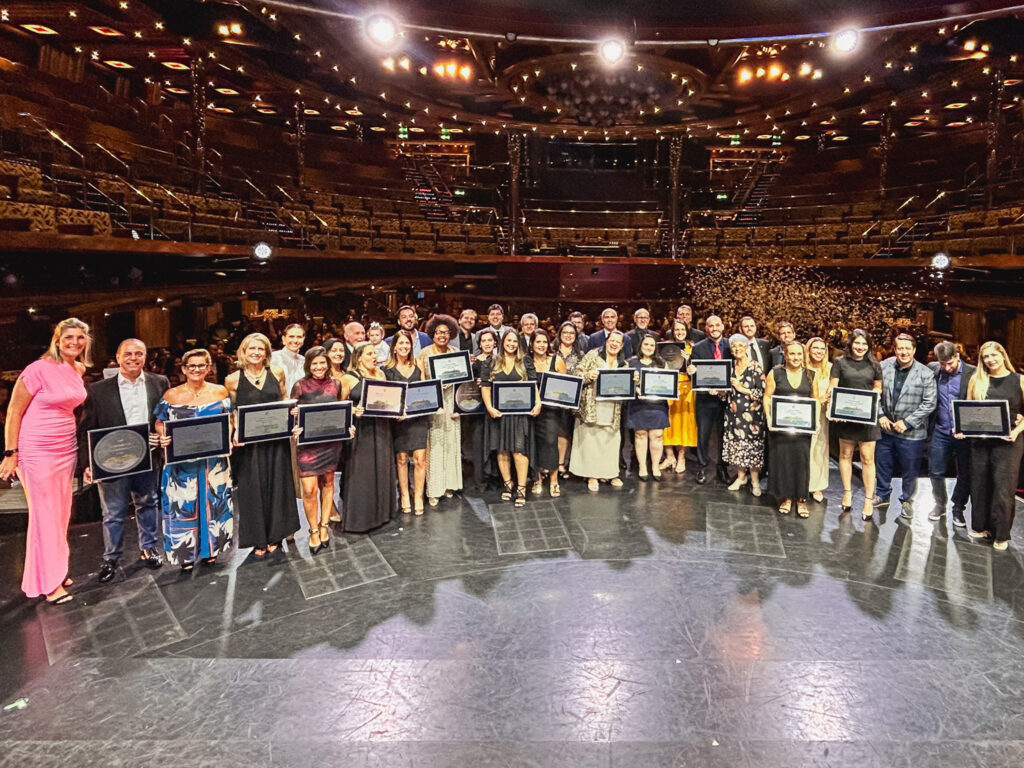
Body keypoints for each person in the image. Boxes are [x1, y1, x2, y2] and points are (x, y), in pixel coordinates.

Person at [0, 318, 89, 603]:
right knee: (45, 515)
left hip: (66, 447)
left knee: (61, 513)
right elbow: (14, 412)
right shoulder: (37, 369)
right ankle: (50, 585)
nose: (74, 342)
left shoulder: (78, 369)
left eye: (80, 337)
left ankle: (54, 570)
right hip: (36, 449)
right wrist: (11, 453)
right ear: (57, 339)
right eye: (69, 337)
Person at [77, 338, 168, 582]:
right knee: (113, 512)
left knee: (148, 504)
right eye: (128, 353)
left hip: (148, 459)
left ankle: (148, 548)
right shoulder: (97, 390)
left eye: (139, 353)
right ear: (118, 357)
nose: (133, 358)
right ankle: (111, 558)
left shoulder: (160, 383)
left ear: (145, 357)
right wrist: (88, 463)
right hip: (111, 462)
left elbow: (164, 421)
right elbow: (86, 428)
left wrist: (162, 439)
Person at [154, 349, 233, 571]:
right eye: (192, 366)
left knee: (214, 504)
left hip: (214, 462)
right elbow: (159, 422)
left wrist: (230, 435)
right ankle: (185, 554)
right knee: (183, 506)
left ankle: (210, 550)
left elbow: (231, 419)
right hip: (182, 464)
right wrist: (162, 436)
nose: (197, 370)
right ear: (183, 369)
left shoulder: (220, 392)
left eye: (202, 365)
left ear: (209, 368)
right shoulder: (171, 395)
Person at [224, 333, 298, 559]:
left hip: (276, 441)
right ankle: (258, 538)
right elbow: (232, 411)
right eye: (251, 349)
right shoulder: (232, 379)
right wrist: (235, 431)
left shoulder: (276, 372)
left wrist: (291, 413)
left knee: (278, 485)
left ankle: (277, 534)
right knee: (252, 489)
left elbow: (284, 398)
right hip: (249, 444)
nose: (256, 353)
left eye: (261, 349)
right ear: (243, 352)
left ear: (267, 352)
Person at [963, 341, 1024, 550]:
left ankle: (1001, 534)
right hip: (980, 441)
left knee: (1003, 487)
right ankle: (981, 527)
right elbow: (968, 409)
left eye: (993, 355)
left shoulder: (1020, 380)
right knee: (979, 484)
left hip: (1009, 443)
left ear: (1002, 355)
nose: (990, 360)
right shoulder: (977, 380)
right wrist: (963, 429)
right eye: (985, 357)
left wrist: (1016, 431)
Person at [873, 333, 937, 520]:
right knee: (883, 465)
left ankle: (907, 500)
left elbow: (929, 403)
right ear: (895, 349)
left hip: (912, 433)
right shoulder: (883, 366)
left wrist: (907, 422)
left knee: (910, 470)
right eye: (900, 348)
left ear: (914, 350)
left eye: (908, 348)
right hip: (886, 428)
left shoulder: (925, 373)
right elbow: (873, 394)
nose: (904, 352)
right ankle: (882, 494)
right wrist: (880, 415)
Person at [290, 346, 346, 553]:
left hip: (330, 443)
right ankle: (312, 529)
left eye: (323, 363)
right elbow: (291, 415)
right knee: (309, 489)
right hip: (307, 446)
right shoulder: (300, 386)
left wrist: (347, 425)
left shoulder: (336, 384)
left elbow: (340, 411)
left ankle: (323, 527)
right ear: (308, 365)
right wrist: (294, 420)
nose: (319, 367)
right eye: (314, 363)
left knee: (329, 483)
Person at [339, 342, 398, 532]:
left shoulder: (380, 374)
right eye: (370, 353)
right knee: (362, 472)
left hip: (381, 427)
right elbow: (341, 406)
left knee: (381, 467)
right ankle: (361, 519)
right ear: (358, 357)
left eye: (375, 353)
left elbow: (389, 400)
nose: (374, 357)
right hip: (361, 430)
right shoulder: (348, 378)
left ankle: (382, 514)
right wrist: (353, 409)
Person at [481, 329, 541, 506]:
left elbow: (533, 384)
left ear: (519, 343)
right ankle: (508, 485)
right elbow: (485, 387)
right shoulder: (490, 362)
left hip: (520, 414)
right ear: (502, 342)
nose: (511, 344)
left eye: (515, 341)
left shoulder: (525, 361)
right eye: (508, 341)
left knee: (519, 450)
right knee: (502, 450)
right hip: (498, 414)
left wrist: (538, 403)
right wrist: (489, 407)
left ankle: (521, 488)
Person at [828, 329, 883, 521]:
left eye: (864, 345)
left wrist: (876, 393)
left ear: (869, 346)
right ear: (851, 344)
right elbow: (833, 385)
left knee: (868, 458)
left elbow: (878, 386)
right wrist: (833, 407)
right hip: (846, 416)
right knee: (845, 455)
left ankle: (868, 499)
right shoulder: (839, 362)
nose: (860, 347)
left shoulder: (874, 364)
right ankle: (847, 492)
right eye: (857, 343)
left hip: (867, 417)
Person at [571, 330, 627, 492]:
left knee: (610, 440)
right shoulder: (592, 355)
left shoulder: (624, 363)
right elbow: (577, 374)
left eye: (618, 342)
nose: (614, 343)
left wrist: (634, 380)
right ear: (606, 340)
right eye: (612, 340)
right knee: (591, 441)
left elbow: (627, 386)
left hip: (612, 407)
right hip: (592, 405)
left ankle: (609, 473)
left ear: (622, 345)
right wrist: (588, 375)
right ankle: (592, 475)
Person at [417, 315, 463, 506]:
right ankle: (434, 489)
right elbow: (420, 381)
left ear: (451, 334)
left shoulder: (456, 352)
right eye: (438, 332)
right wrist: (435, 387)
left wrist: (461, 407)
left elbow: (463, 382)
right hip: (435, 404)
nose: (442, 336)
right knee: (435, 445)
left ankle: (449, 485)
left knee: (452, 443)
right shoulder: (424, 354)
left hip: (452, 402)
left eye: (446, 332)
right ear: (432, 334)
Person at [764, 341, 815, 517]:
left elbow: (813, 401)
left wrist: (814, 424)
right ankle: (785, 497)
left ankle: (801, 499)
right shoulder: (776, 373)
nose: (796, 358)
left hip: (802, 429)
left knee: (801, 463)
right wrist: (770, 420)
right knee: (783, 462)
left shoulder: (811, 375)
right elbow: (767, 397)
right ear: (785, 355)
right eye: (792, 354)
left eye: (799, 354)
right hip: (780, 428)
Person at [927, 341, 975, 526]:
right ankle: (940, 504)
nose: (946, 367)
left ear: (957, 356)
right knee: (935, 470)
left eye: (950, 363)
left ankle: (958, 508)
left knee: (965, 472)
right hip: (940, 429)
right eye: (942, 364)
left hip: (964, 433)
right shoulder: (933, 369)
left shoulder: (973, 373)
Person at [385, 330, 428, 515]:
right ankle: (403, 494)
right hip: (399, 421)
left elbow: (425, 390)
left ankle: (418, 495)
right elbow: (386, 398)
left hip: (418, 419)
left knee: (420, 459)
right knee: (401, 459)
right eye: (400, 343)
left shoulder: (418, 366)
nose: (404, 347)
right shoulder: (386, 370)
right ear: (394, 347)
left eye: (407, 343)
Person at [689, 315, 731, 485]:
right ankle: (701, 466)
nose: (714, 328)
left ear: (722, 326)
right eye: (710, 326)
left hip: (725, 399)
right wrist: (709, 388)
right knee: (703, 434)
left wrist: (723, 391)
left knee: (724, 435)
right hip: (705, 398)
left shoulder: (730, 345)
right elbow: (697, 373)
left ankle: (723, 468)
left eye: (717, 325)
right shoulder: (698, 348)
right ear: (706, 328)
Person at [722, 334, 765, 494]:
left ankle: (754, 481)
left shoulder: (755, 366)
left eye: (740, 346)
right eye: (734, 346)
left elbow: (762, 392)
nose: (737, 349)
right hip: (733, 415)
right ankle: (741, 477)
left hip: (752, 416)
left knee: (752, 448)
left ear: (747, 348)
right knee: (737, 447)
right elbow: (724, 391)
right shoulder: (730, 367)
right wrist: (717, 390)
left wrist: (742, 389)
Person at [528, 328, 567, 496]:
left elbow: (565, 387)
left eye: (545, 342)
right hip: (531, 411)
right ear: (532, 344)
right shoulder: (526, 362)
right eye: (538, 342)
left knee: (551, 443)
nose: (542, 345)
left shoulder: (556, 361)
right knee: (534, 443)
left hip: (551, 411)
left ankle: (554, 480)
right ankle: (537, 479)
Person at [627, 333, 670, 481]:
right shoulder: (630, 363)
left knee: (657, 436)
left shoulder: (662, 363)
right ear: (640, 346)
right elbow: (625, 385)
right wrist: (635, 386)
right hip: (639, 404)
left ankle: (655, 466)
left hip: (657, 405)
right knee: (640, 435)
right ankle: (642, 467)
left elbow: (668, 384)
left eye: (652, 345)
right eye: (646, 344)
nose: (649, 347)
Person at [660, 320, 698, 474]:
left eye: (682, 329)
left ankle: (682, 456)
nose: (680, 332)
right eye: (677, 329)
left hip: (687, 387)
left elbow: (696, 369)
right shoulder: (666, 347)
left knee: (685, 423)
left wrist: (689, 359)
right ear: (672, 331)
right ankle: (669, 456)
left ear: (686, 331)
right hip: (670, 385)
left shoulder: (693, 347)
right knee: (667, 421)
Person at [554, 321, 585, 478]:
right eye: (565, 332)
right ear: (559, 334)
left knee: (566, 432)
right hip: (552, 399)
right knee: (553, 432)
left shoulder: (581, 355)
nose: (568, 335)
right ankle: (551, 464)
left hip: (573, 400)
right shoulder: (551, 352)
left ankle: (562, 464)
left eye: (571, 333)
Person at [805, 337, 833, 503]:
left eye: (822, 349)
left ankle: (817, 485)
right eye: (815, 348)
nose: (819, 352)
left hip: (822, 416)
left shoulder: (830, 369)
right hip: (803, 415)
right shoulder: (801, 367)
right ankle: (801, 483)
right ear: (808, 350)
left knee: (819, 449)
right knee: (803, 449)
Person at [270, 323, 306, 395]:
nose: (295, 340)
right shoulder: (273, 358)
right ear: (284, 339)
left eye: (299, 337)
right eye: (291, 336)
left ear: (303, 339)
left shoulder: (304, 361)